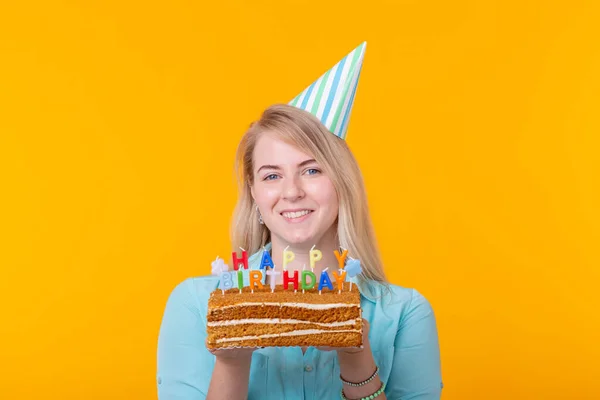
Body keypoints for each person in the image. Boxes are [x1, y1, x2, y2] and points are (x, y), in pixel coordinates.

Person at [157, 42, 442, 400]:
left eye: (311, 170)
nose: (291, 192)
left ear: (342, 183)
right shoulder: (196, 303)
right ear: (255, 194)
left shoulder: (404, 314)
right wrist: (231, 362)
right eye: (272, 176)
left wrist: (356, 357)